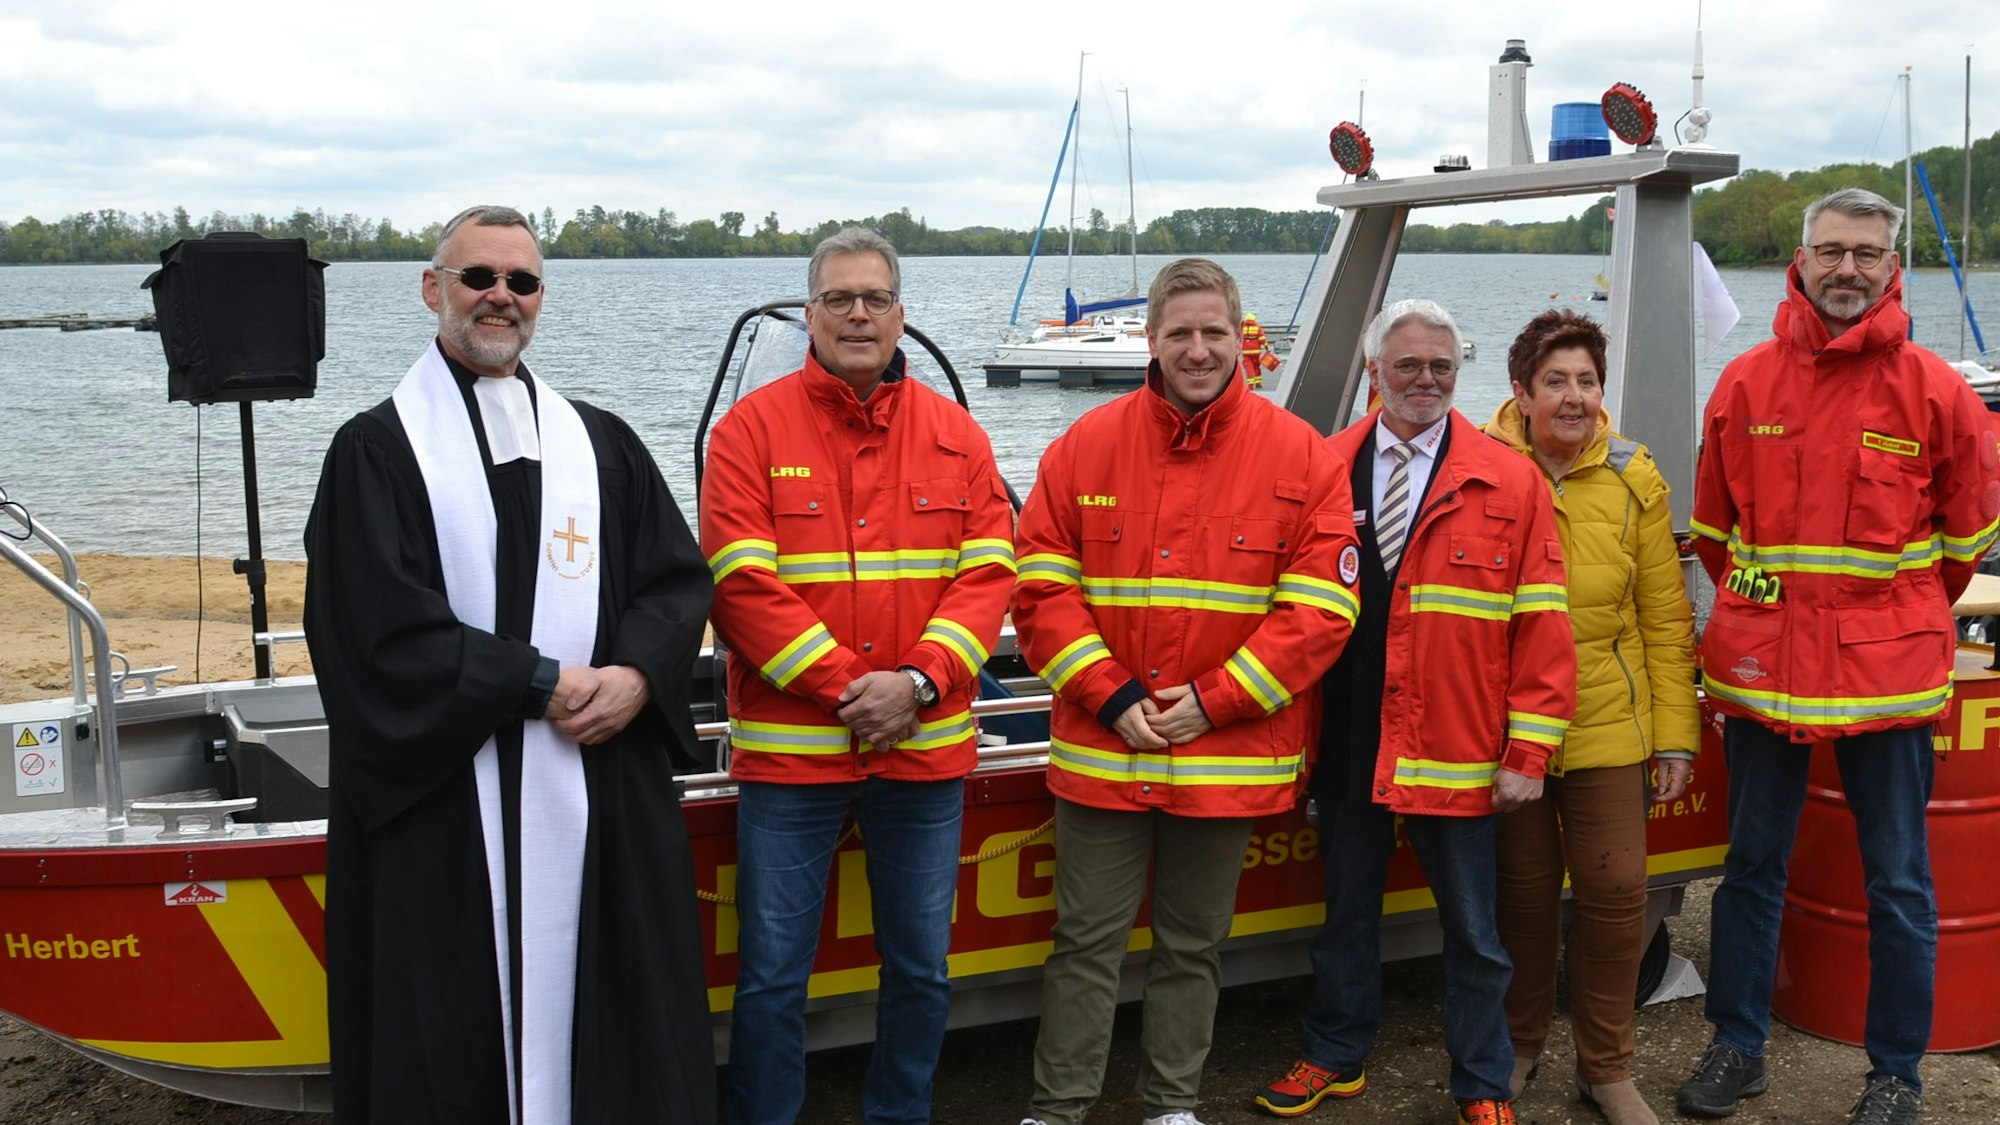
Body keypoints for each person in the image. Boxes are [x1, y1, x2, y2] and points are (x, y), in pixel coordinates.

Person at [304, 204, 716, 1124]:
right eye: (478, 277)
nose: (500, 297)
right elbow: (374, 633)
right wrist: (537, 682)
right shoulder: (377, 451)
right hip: (448, 803)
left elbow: (675, 582)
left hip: (594, 778)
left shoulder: (600, 444)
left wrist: (638, 675)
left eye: (521, 281)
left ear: (540, 297)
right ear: (432, 289)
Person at [1677, 187, 2000, 1124]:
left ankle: (1896, 1073)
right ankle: (1737, 1045)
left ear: (1892, 267)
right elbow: (1714, 535)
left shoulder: (1937, 391)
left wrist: (1883, 621)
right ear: (1802, 259)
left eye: (1865, 252)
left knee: (1898, 882)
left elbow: (1964, 546)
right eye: (1831, 250)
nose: (1846, 268)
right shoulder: (1744, 384)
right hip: (1765, 673)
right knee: (1751, 867)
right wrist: (1777, 618)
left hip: (1885, 681)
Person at [1013, 257, 1360, 1125]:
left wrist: (1216, 700)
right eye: (1180, 333)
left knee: (1193, 945)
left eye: (1213, 332)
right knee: (1083, 944)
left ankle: (1171, 1106)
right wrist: (1109, 693)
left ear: (1241, 336)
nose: (1197, 350)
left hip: (1223, 752)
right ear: (1152, 338)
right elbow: (1040, 590)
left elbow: (1321, 610)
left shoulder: (1302, 456)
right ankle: (1057, 1110)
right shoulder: (1084, 446)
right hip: (1106, 748)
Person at [700, 227, 1015, 1125]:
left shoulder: (957, 435)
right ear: (809, 315)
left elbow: (990, 572)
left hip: (923, 752)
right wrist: (856, 689)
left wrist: (917, 684)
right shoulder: (748, 431)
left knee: (920, 968)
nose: (857, 314)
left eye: (875, 298)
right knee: (772, 976)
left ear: (901, 316)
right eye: (838, 298)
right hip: (793, 760)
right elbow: (739, 585)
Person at [1256, 299, 1577, 1125]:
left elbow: (1544, 627)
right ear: (1375, 372)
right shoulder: (1323, 466)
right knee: (1345, 914)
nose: (1426, 379)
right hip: (1349, 736)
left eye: (1441, 365)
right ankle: (1336, 1052)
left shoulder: (1511, 479)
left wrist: (1528, 752)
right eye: (1408, 365)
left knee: (1474, 930)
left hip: (1457, 743)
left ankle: (1483, 1083)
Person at [1483, 309, 1697, 1125]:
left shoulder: (1634, 476)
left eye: (1587, 381)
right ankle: (1518, 1044)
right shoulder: (1480, 467)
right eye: (1556, 381)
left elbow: (1664, 618)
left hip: (1609, 720)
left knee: (1615, 889)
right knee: (1523, 894)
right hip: (1507, 728)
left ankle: (1607, 1068)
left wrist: (1674, 736)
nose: (1574, 397)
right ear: (1522, 392)